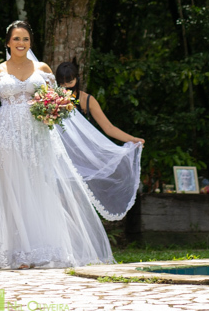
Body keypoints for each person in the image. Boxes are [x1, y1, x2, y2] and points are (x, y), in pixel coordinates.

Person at [0, 20, 114, 270]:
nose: (21, 43)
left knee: (37, 186)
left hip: (36, 134)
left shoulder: (41, 68)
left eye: (26, 39)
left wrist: (53, 109)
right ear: (8, 42)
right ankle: (16, 253)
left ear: (30, 43)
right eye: (16, 39)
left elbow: (54, 99)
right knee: (11, 189)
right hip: (7, 134)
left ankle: (41, 250)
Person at [54, 61, 144, 221]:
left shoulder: (86, 100)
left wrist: (133, 139)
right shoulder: (51, 99)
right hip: (58, 154)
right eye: (62, 82)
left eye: (69, 81)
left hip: (81, 157)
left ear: (77, 79)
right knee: (59, 199)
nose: (66, 85)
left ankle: (79, 241)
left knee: (77, 198)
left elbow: (108, 128)